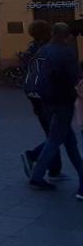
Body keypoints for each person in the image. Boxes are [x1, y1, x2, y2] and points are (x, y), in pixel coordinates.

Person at [27, 22, 83, 193]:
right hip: (63, 101)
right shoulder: (66, 52)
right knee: (55, 140)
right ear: (67, 36)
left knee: (69, 141)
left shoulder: (43, 50)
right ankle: (37, 176)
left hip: (46, 101)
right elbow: (75, 78)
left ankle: (82, 175)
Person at [20, 20, 63, 181]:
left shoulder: (32, 49)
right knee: (55, 135)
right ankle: (32, 155)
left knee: (51, 133)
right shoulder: (48, 49)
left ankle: (54, 169)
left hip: (36, 98)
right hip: (49, 99)